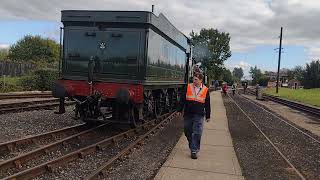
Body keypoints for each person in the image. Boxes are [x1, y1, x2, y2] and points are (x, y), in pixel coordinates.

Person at [177, 73, 211, 159]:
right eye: (193, 79)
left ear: (200, 80)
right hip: (188, 114)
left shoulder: (205, 90)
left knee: (197, 132)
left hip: (199, 115)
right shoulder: (188, 87)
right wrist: (179, 110)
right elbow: (182, 99)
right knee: (187, 130)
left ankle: (194, 150)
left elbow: (207, 103)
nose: (194, 81)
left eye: (196, 79)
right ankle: (192, 143)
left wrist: (208, 116)